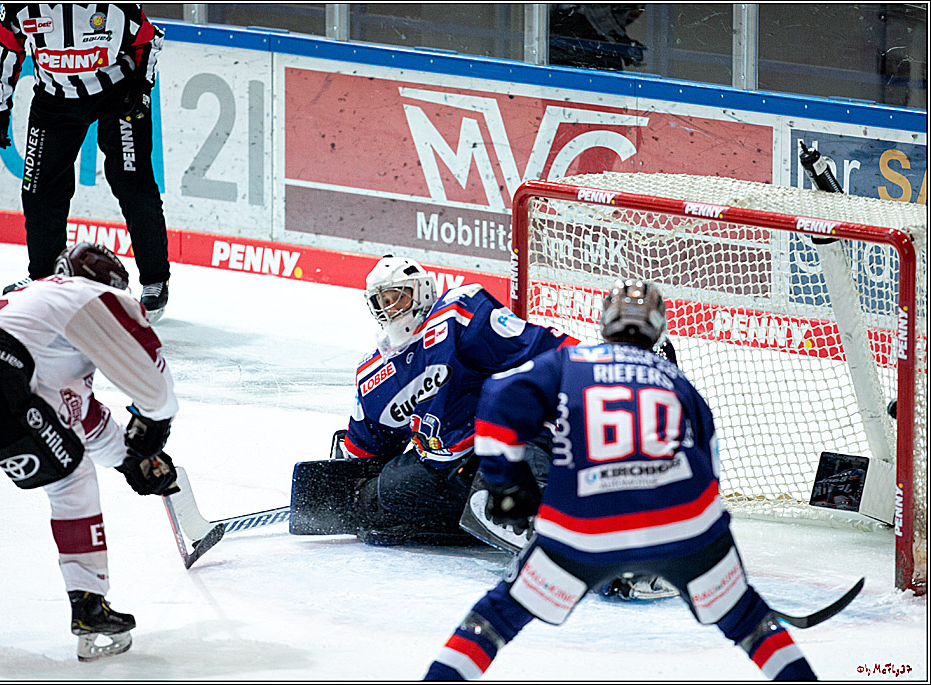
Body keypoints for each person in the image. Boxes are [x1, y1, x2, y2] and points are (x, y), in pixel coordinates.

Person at [424, 279, 818, 681]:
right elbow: (710, 471)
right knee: (751, 622)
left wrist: (507, 483)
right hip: (685, 526)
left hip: (583, 530)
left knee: (494, 620)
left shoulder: (570, 362)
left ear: (603, 322)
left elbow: (496, 400)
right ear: (658, 327)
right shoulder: (679, 383)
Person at [0, 243, 179, 662]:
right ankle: (89, 605)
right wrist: (154, 427)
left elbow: (76, 416)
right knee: (72, 476)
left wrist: (130, 459)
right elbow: (154, 383)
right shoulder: (89, 295)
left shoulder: (37, 314)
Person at [290, 255, 579, 547]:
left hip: (495, 445)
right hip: (443, 470)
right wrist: (347, 485)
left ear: (423, 289)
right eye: (382, 301)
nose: (391, 308)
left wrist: (597, 370)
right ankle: (480, 517)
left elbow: (536, 346)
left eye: (399, 297)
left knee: (522, 442)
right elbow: (366, 447)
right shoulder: (373, 373)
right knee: (374, 500)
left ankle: (554, 517)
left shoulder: (459, 313)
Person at [0, 4, 171, 322]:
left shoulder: (118, 6)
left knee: (132, 182)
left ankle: (155, 279)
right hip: (53, 99)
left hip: (117, 94)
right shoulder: (19, 7)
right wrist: (1, 104)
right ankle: (44, 278)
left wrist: (142, 89)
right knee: (38, 188)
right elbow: (6, 46)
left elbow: (146, 39)